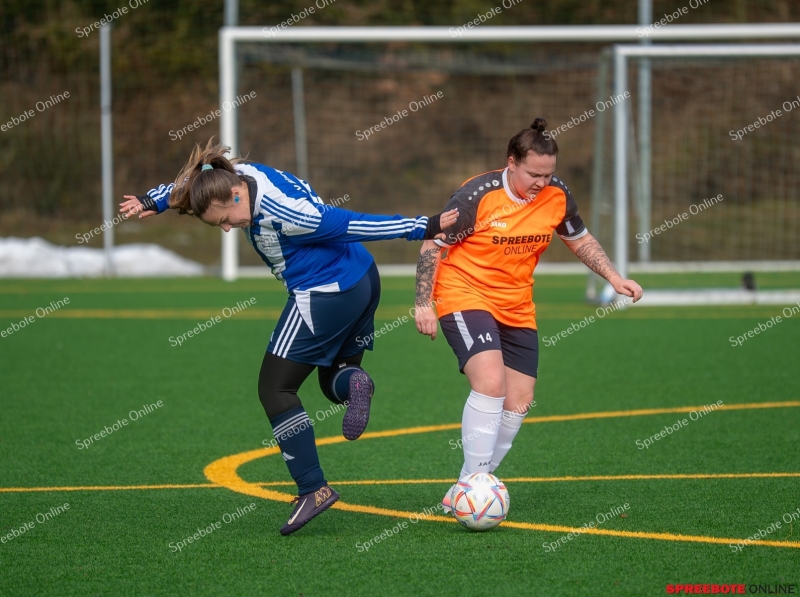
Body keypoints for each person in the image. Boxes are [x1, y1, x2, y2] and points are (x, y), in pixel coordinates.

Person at [120, 140, 457, 534]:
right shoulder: (244, 177)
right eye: (218, 225)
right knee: (335, 375)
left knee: (275, 389)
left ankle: (312, 489)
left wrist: (423, 226)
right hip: (363, 279)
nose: (228, 228)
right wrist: (152, 200)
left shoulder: (284, 213)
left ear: (234, 193)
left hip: (326, 291)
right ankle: (355, 384)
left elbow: (352, 222)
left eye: (226, 219)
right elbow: (190, 186)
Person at [412, 118, 643, 512]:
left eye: (548, 174)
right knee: (490, 383)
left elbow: (579, 238)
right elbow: (433, 244)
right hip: (464, 292)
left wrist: (614, 276)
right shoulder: (476, 196)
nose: (542, 182)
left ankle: (466, 488)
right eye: (533, 174)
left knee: (519, 400)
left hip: (517, 303)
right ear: (511, 163)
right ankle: (476, 485)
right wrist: (423, 302)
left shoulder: (557, 194)